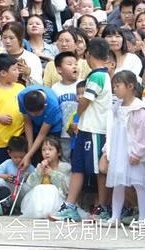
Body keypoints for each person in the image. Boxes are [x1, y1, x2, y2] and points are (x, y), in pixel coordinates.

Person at [50, 37, 112, 222]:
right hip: (86, 129)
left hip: (95, 130)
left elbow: (85, 100)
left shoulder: (98, 76)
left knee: (98, 170)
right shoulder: (99, 75)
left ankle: (102, 208)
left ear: (88, 55)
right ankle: (70, 206)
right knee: (78, 168)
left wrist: (77, 114)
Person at [103, 70, 145, 226]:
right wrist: (108, 149)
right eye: (114, 86)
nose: (115, 89)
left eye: (117, 86)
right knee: (118, 183)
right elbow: (112, 129)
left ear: (130, 86)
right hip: (118, 151)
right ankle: (115, 217)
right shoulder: (117, 107)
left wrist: (138, 153)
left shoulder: (139, 109)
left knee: (139, 184)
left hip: (132, 152)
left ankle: (143, 218)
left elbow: (142, 134)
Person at [20, 137, 72, 218]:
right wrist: (39, 172)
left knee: (51, 188)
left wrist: (52, 173)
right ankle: (40, 212)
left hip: (59, 200)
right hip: (41, 200)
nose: (46, 152)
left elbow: (66, 188)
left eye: (50, 149)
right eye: (43, 150)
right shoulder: (40, 166)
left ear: (58, 153)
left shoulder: (65, 167)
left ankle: (53, 213)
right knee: (39, 188)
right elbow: (31, 184)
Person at [17, 85, 63, 169]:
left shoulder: (53, 105)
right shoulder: (21, 97)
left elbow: (42, 134)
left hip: (52, 127)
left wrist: (28, 155)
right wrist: (29, 152)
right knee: (34, 156)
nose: (33, 115)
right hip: (34, 125)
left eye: (36, 113)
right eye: (30, 113)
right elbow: (28, 122)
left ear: (45, 106)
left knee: (50, 154)